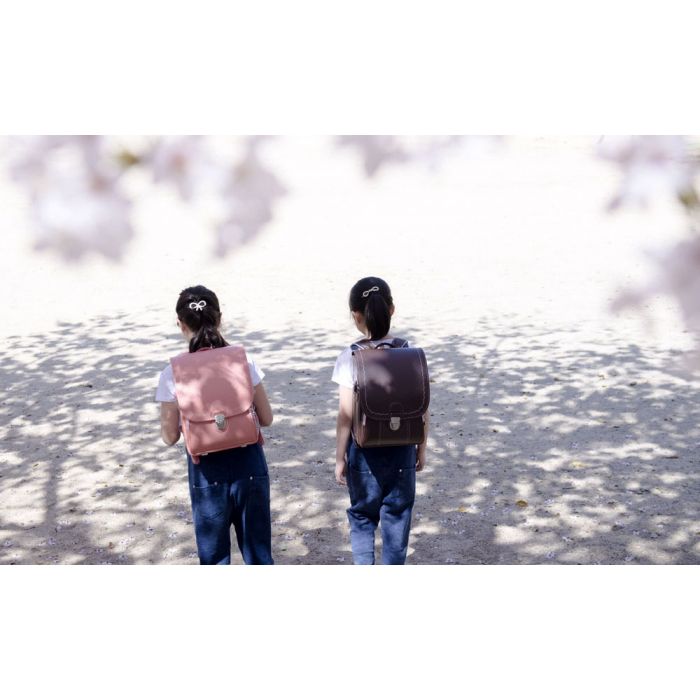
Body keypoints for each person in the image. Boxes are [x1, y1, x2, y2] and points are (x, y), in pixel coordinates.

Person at [155, 285, 274, 565]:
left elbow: (169, 437)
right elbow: (266, 418)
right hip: (249, 465)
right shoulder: (243, 360)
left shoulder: (172, 373)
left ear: (180, 324)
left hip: (207, 474)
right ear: (219, 318)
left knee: (214, 559)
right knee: (259, 556)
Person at [332, 276, 428, 564]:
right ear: (392, 309)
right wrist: (421, 448)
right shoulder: (411, 353)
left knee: (362, 516)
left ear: (355, 316)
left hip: (363, 453)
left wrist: (339, 458)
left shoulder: (350, 356)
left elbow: (345, 415)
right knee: (397, 516)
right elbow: (422, 409)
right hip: (402, 450)